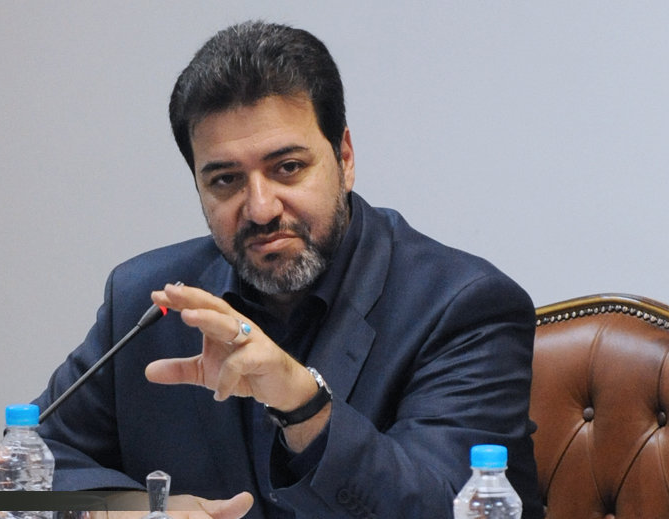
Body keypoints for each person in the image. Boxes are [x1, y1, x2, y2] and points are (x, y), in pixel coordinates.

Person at [29, 21, 542, 518]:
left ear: (344, 158)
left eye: (288, 168)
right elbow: (17, 472)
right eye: (226, 180)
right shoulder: (146, 302)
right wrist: (128, 510)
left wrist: (305, 408)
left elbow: (450, 507)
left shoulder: (462, 307)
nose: (260, 208)